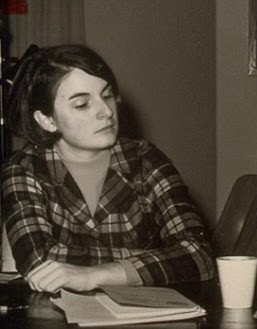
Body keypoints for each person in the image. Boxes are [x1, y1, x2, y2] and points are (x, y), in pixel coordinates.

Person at [1, 45, 215, 293]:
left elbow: (200, 256)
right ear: (46, 120)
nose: (105, 111)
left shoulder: (146, 160)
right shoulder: (23, 169)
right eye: (82, 104)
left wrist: (94, 275)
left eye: (107, 95)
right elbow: (38, 260)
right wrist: (151, 261)